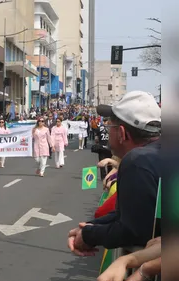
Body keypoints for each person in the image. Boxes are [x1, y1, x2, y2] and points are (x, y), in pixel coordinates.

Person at [68, 91, 161, 255]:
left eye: (110, 126)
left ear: (122, 133)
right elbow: (128, 215)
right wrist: (90, 227)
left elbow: (133, 231)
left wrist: (88, 236)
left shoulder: (137, 161)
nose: (107, 130)